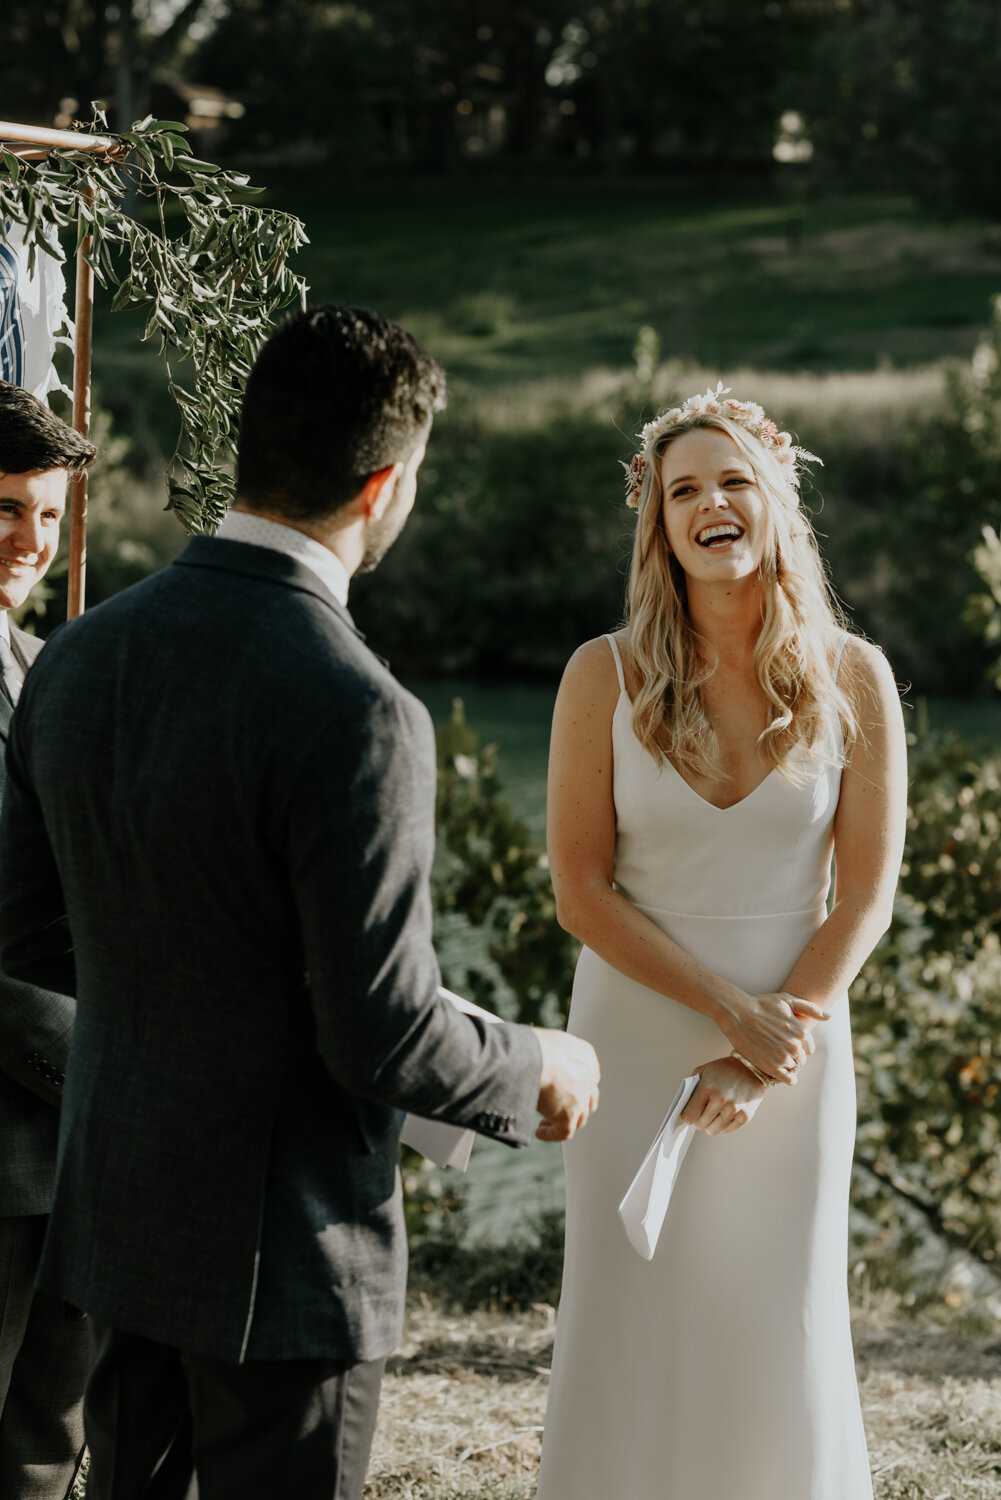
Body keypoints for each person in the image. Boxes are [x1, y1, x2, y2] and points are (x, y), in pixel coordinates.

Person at [0, 306, 600, 1500]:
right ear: (384, 485)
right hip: (290, 1257)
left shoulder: (80, 656)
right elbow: (378, 1032)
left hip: (119, 1232)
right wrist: (530, 1062)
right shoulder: (360, 709)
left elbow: (28, 933)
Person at [536, 384, 906, 1500]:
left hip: (795, 1041)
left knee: (776, 1306)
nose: (710, 503)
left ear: (776, 502)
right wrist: (720, 1012)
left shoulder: (854, 675)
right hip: (631, 1037)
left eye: (733, 480)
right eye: (682, 488)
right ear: (657, 522)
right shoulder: (602, 675)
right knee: (630, 1304)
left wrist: (764, 1039)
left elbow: (863, 898)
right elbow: (580, 891)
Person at [0, 381, 95, 1500]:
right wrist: (97, 1073)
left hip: (66, 1153)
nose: (32, 541)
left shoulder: (44, 667)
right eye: (8, 511)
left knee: (40, 1451)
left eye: (53, 517)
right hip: (30, 1116)